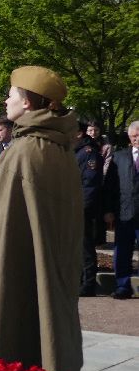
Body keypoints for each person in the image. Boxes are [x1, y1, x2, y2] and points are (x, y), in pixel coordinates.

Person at [0, 67, 82, 371]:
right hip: (56, 259)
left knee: (18, 313)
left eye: (12, 94)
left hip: (21, 262)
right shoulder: (60, 149)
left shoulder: (23, 152)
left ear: (29, 104)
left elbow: (6, 231)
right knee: (44, 313)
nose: (6, 100)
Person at [103, 121, 139, 301]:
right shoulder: (119, 157)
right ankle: (122, 286)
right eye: (134, 136)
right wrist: (108, 210)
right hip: (124, 212)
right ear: (129, 137)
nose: (137, 139)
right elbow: (109, 186)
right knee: (122, 252)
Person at [75, 122, 106, 296]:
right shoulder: (76, 151)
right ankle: (79, 280)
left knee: (85, 247)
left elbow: (90, 184)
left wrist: (81, 208)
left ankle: (88, 284)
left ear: (78, 134)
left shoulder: (89, 153)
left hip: (82, 208)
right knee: (76, 247)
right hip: (73, 206)